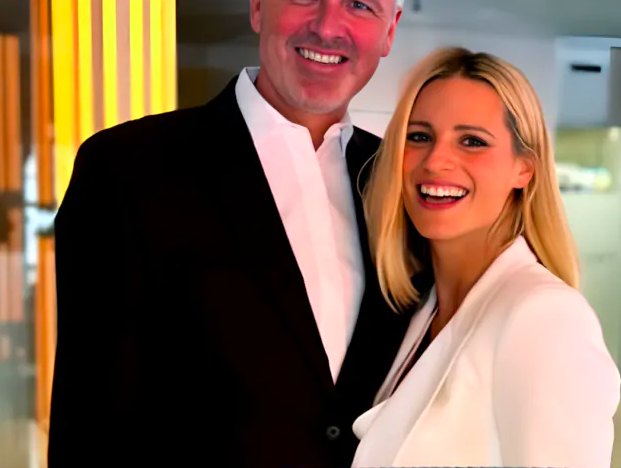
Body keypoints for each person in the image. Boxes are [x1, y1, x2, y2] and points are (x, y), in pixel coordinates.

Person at [47, 0, 410, 467]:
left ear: (389, 32)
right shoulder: (127, 169)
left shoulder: (401, 185)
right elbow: (87, 418)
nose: (327, 27)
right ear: (257, 7)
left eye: (360, 5)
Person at [351, 47, 621, 468]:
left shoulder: (546, 317)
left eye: (472, 141)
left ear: (524, 168)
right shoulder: (419, 312)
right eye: (419, 137)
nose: (436, 161)